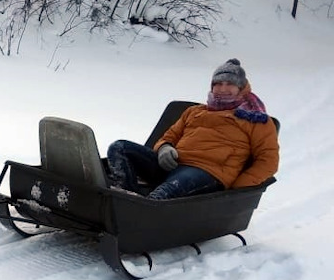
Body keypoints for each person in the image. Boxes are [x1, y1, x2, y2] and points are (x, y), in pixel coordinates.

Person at [107, 58, 279, 200]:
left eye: (230, 84)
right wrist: (164, 148)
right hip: (173, 165)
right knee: (119, 147)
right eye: (218, 84)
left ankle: (140, 218)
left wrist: (236, 189)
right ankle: (126, 198)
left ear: (241, 88)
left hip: (207, 172)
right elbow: (169, 136)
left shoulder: (255, 119)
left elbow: (268, 161)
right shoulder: (194, 111)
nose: (223, 89)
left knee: (164, 194)